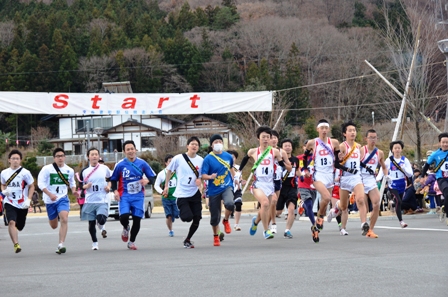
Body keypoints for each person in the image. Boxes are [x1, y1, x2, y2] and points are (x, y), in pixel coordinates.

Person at [238, 126, 292, 239]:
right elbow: (245, 159)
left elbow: (281, 165)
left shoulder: (275, 152)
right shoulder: (253, 151)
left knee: (266, 206)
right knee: (265, 203)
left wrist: (287, 167)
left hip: (270, 183)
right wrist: (239, 171)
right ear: (259, 138)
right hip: (258, 183)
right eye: (263, 137)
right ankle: (266, 231)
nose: (266, 139)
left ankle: (256, 222)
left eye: (268, 137)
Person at [110, 140, 156, 250]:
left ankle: (131, 241)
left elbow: (153, 177)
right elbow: (113, 179)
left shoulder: (142, 163)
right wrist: (115, 191)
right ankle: (126, 227)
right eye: (128, 149)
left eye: (132, 149)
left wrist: (147, 181)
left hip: (138, 196)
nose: (130, 151)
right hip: (125, 195)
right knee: (124, 217)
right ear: (124, 151)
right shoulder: (120, 165)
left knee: (137, 219)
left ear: (135, 150)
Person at [303, 119, 344, 233]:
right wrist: (306, 169)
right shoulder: (312, 143)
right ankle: (320, 218)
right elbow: (305, 157)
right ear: (318, 129)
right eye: (322, 128)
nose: (324, 130)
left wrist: (340, 160)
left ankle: (317, 224)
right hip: (318, 175)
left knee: (325, 203)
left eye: (326, 128)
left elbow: (337, 161)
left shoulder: (334, 142)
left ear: (329, 129)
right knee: (326, 197)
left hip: (329, 175)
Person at [163, 136, 203, 248]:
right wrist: (166, 185)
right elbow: (169, 170)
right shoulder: (178, 158)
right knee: (187, 217)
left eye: (196, 144)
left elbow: (202, 175)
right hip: (182, 193)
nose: (194, 146)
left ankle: (188, 239)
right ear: (187, 146)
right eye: (192, 144)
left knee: (197, 218)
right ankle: (179, 212)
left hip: (195, 193)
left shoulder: (201, 160)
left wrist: (201, 181)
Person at [38, 148, 79, 254]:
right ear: (54, 158)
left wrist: (74, 191)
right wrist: (50, 194)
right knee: (54, 226)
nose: (60, 158)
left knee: (64, 219)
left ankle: (61, 244)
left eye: (62, 156)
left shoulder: (69, 170)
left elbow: (72, 183)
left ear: (65, 157)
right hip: (50, 199)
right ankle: (53, 217)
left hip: (62, 198)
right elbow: (41, 184)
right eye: (58, 156)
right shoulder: (47, 169)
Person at [202, 134, 235, 246]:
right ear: (211, 145)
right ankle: (215, 236)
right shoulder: (208, 159)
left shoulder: (228, 156)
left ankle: (226, 220)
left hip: (227, 186)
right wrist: (210, 177)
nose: (218, 144)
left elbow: (231, 168)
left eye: (220, 141)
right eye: (215, 142)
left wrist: (235, 179)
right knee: (214, 216)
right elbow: (203, 175)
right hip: (214, 189)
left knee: (230, 204)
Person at [1, 149, 35, 253]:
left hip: (22, 203)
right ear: (9, 160)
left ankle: (17, 228)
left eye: (17, 159)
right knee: (11, 222)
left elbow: (32, 186)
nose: (15, 160)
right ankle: (16, 244)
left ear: (20, 160)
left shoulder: (25, 173)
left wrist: (28, 200)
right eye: (13, 158)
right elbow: (2, 184)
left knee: (19, 226)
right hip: (9, 202)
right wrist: (4, 191)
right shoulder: (4, 173)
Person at [79, 147, 112, 250]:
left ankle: (101, 224)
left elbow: (110, 179)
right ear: (88, 157)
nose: (94, 156)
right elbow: (80, 186)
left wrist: (109, 187)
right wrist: (85, 186)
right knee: (91, 223)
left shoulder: (104, 168)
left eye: (96, 154)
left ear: (99, 156)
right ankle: (94, 242)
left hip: (102, 199)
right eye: (92, 154)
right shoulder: (84, 171)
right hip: (90, 200)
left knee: (101, 219)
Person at [376, 140, 413, 228]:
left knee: (399, 202)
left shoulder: (405, 160)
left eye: (398, 148)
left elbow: (410, 174)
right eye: (395, 148)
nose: (397, 150)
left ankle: (391, 198)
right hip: (393, 183)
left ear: (401, 149)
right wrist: (378, 178)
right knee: (399, 202)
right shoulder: (389, 160)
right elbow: (383, 168)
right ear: (392, 150)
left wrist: (404, 169)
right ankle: (401, 221)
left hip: (402, 183)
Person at [275, 138, 299, 238]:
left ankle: (287, 230)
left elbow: (297, 171)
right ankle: (261, 219)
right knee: (278, 211)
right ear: (282, 148)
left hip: (292, 187)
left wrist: (303, 175)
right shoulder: (277, 159)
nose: (288, 147)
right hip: (280, 187)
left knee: (291, 209)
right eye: (286, 146)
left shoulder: (296, 160)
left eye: (289, 145)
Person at [421, 132, 448, 222]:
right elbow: (427, 165)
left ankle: (444, 206)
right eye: (443, 142)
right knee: (447, 192)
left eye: (447, 142)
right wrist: (422, 176)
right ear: (440, 143)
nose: (445, 144)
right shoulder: (435, 154)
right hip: (441, 178)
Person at [297, 140, 319, 242]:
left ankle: (302, 205)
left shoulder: (317, 157)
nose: (309, 148)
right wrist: (302, 174)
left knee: (309, 206)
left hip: (314, 185)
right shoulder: (299, 158)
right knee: (309, 205)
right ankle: (314, 226)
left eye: (312, 147)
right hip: (303, 185)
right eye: (307, 146)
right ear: (304, 147)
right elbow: (295, 171)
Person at [154, 154, 179, 237]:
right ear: (166, 163)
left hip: (176, 198)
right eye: (169, 161)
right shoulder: (162, 174)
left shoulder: (178, 172)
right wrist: (162, 192)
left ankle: (173, 216)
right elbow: (156, 185)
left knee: (175, 215)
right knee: (168, 216)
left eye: (173, 161)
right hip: (166, 198)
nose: (171, 163)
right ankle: (171, 230)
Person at [227, 150, 245, 231]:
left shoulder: (238, 167)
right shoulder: (224, 166)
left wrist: (241, 181)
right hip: (227, 189)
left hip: (237, 189)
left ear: (236, 158)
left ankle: (236, 224)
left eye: (233, 157)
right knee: (229, 206)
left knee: (238, 203)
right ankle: (226, 221)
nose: (232, 158)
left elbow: (240, 177)